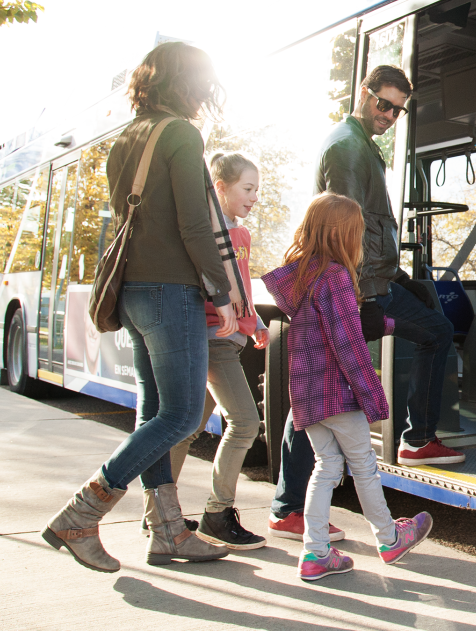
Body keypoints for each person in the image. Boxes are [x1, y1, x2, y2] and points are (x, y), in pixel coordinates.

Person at [43, 42, 235, 571]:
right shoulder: (180, 134)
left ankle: (169, 532)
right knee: (178, 415)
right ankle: (81, 513)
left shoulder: (126, 139)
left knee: (153, 413)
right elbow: (194, 225)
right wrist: (223, 291)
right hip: (171, 290)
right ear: (187, 83)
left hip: (132, 292)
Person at [268, 64, 460, 540]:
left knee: (314, 392)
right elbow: (343, 229)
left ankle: (288, 506)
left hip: (373, 280)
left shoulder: (359, 144)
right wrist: (357, 301)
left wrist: (397, 276)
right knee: (432, 333)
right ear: (364, 93)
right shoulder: (349, 149)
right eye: (383, 103)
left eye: (398, 109)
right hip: (358, 288)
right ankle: (415, 440)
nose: (389, 115)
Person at [262, 193, 432, 581]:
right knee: (364, 467)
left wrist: (385, 324)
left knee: (326, 467)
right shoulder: (335, 276)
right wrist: (371, 393)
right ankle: (390, 539)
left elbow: (331, 329)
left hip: (307, 393)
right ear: (344, 234)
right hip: (336, 391)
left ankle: (316, 552)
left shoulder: (302, 276)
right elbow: (347, 343)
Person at [165, 152, 269, 550]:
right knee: (244, 423)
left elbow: (240, 283)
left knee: (187, 429)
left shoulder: (238, 233)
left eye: (257, 189)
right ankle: (217, 514)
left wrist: (255, 321)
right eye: (247, 188)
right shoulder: (206, 232)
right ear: (219, 188)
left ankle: (160, 513)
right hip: (214, 338)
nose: (254, 196)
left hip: (233, 336)